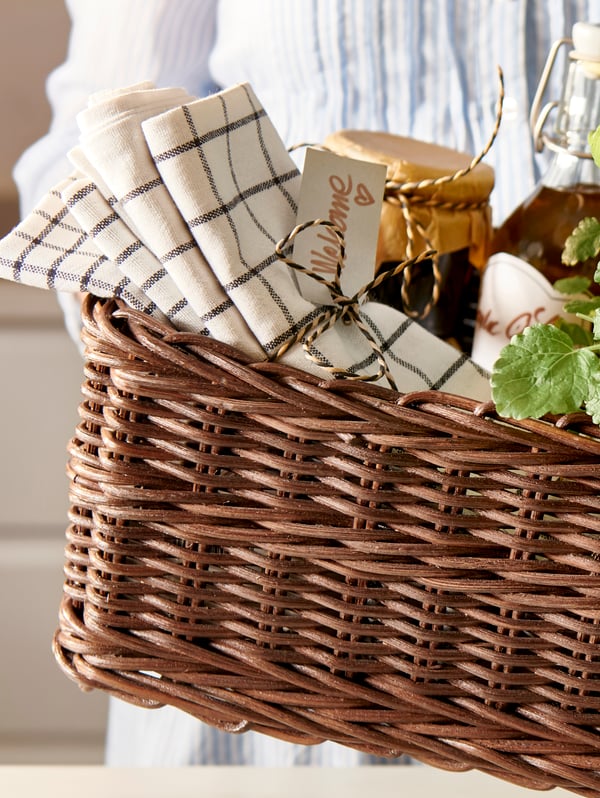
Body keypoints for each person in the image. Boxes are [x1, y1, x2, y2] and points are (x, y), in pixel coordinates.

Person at [13, 0, 600, 767]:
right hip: (244, 632)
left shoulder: (536, 226)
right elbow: (101, 150)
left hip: (549, 671)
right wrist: (229, 356)